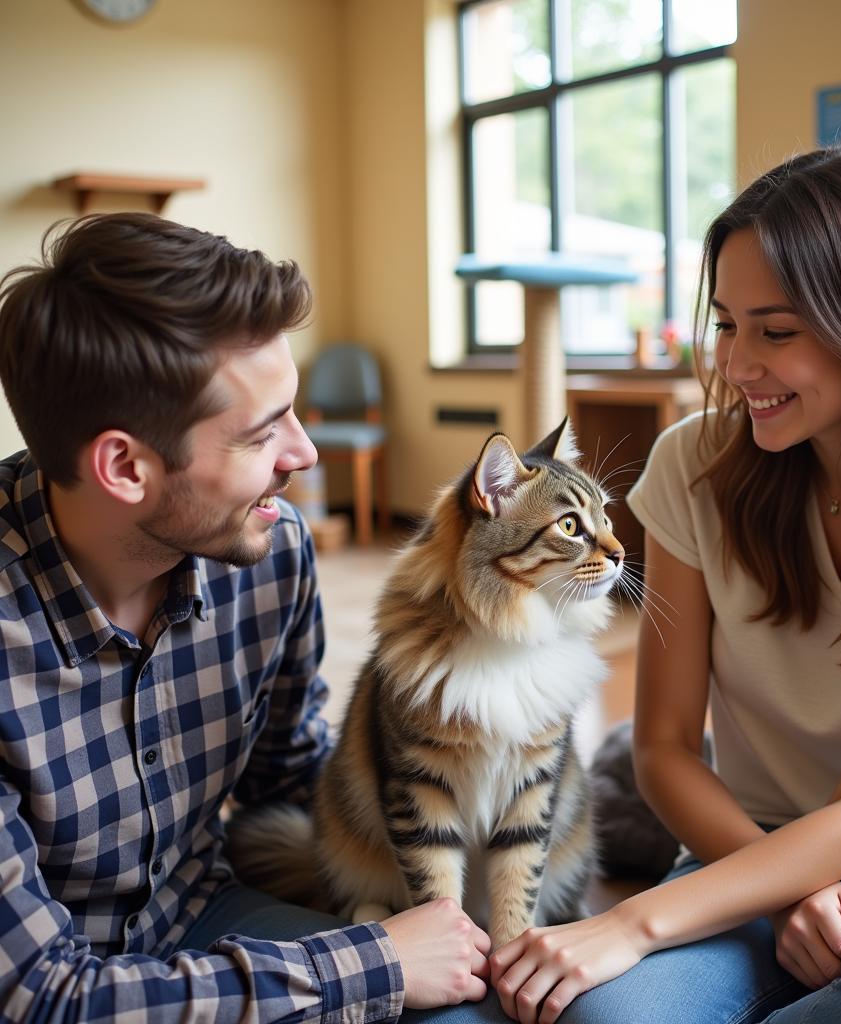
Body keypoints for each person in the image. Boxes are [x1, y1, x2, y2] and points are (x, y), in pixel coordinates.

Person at [477, 143, 841, 1023]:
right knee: (605, 1016)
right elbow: (659, 747)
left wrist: (633, 922)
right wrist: (775, 893)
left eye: (776, 331)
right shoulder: (691, 465)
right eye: (727, 324)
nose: (735, 364)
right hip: (744, 848)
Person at [0, 212, 490, 1023]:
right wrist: (371, 963)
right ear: (125, 466)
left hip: (205, 914)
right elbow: (41, 998)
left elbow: (289, 781)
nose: (305, 455)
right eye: (264, 433)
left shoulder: (271, 555)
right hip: (60, 979)